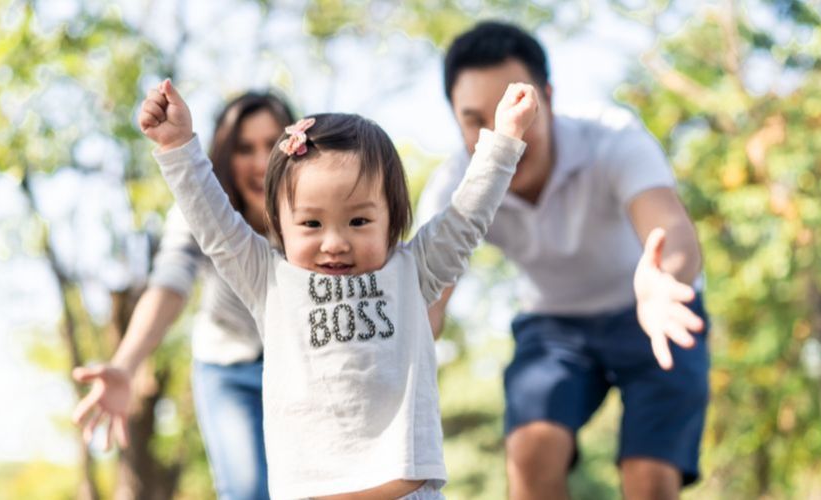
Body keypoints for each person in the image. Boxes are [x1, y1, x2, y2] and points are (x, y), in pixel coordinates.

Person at [137, 78, 536, 499]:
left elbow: (466, 216)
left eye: (359, 221)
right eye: (311, 224)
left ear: (392, 219)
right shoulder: (269, 281)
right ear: (278, 224)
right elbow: (213, 223)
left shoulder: (413, 272)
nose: (334, 243)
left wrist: (504, 140)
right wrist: (177, 145)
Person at [417, 21, 710, 500]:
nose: (500, 134)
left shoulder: (610, 137)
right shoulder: (455, 185)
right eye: (475, 120)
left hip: (655, 310)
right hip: (555, 325)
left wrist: (663, 276)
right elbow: (425, 302)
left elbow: (672, 230)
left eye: (515, 110)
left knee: (649, 478)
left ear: (548, 96)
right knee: (531, 453)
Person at [71, 91, 295, 500]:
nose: (262, 162)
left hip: (300, 367)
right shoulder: (201, 207)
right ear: (226, 155)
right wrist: (125, 364)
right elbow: (170, 284)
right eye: (245, 148)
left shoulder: (315, 210)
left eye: (273, 144)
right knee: (249, 490)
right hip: (228, 367)